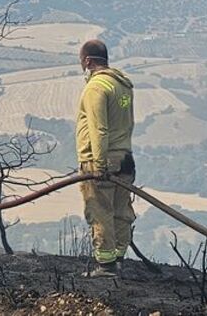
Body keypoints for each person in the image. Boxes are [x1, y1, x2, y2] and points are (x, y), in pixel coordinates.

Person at [75, 39, 136, 278]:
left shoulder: (96, 88)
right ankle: (119, 257)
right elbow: (127, 122)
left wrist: (98, 164)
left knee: (100, 210)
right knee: (122, 210)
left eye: (82, 61)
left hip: (101, 160)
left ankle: (106, 265)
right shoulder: (123, 86)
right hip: (125, 159)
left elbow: (98, 129)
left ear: (88, 61)